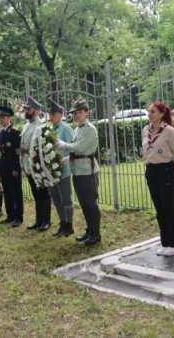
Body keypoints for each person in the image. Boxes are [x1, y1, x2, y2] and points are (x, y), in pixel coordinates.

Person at [57, 98, 101, 246]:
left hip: (88, 171)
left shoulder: (90, 129)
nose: (76, 115)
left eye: (79, 112)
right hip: (77, 170)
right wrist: (68, 158)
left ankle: (96, 233)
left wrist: (64, 145)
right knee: (83, 203)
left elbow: (81, 147)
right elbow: (76, 150)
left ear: (87, 112)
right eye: (75, 113)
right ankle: (89, 231)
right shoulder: (77, 129)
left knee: (91, 203)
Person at [142, 101, 174, 257]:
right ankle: (165, 242)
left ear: (161, 113)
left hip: (165, 170)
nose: (150, 114)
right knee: (159, 208)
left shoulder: (169, 131)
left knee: (168, 208)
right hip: (151, 170)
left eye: (153, 111)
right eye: (149, 111)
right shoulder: (145, 130)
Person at [20, 97, 52, 231]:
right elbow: (23, 146)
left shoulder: (41, 125)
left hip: (38, 164)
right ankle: (38, 220)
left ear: (36, 111)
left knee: (43, 193)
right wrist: (22, 163)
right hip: (28, 163)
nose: (26, 111)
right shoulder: (26, 125)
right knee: (36, 193)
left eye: (29, 109)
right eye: (26, 109)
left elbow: (45, 146)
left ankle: (46, 221)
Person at [48, 101, 75, 237]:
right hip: (52, 170)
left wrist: (64, 160)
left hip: (63, 169)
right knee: (56, 198)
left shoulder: (65, 128)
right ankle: (62, 223)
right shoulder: (50, 129)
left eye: (54, 114)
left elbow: (72, 147)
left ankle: (69, 225)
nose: (51, 116)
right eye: (50, 114)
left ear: (61, 114)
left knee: (66, 199)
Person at [0, 106, 24, 227]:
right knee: (7, 192)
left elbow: (18, 151)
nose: (1, 120)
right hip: (3, 167)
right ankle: (10, 215)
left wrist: (16, 168)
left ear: (9, 118)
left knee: (16, 192)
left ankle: (18, 216)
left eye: (3, 117)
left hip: (12, 167)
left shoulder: (15, 132)